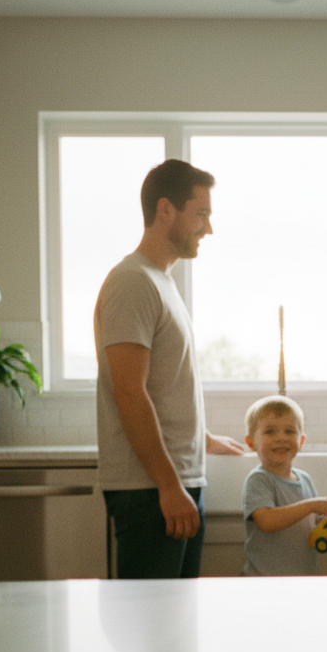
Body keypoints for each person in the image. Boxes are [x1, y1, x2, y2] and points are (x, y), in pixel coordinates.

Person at [95, 159, 246, 579]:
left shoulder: (161, 282)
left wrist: (201, 437)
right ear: (166, 210)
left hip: (171, 482)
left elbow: (161, 384)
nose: (208, 228)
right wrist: (167, 485)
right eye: (201, 214)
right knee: (152, 631)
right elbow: (128, 391)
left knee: (174, 630)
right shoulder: (132, 282)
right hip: (150, 489)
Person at [241, 395, 327, 577]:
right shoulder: (259, 479)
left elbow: (315, 525)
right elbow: (266, 521)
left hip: (302, 580)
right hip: (263, 581)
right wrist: (312, 505)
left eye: (289, 431)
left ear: (301, 442)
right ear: (251, 443)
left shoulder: (305, 479)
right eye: (270, 432)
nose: (281, 438)